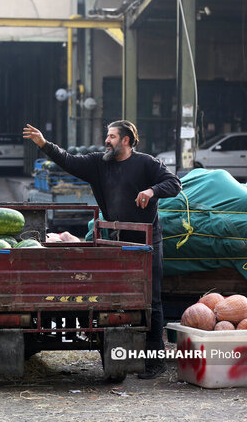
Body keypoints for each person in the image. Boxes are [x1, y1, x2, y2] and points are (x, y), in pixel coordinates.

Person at [23, 120, 181, 380]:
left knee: (151, 302)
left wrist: (152, 190)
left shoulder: (147, 163)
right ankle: (123, 355)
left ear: (126, 140)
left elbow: (174, 184)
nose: (106, 140)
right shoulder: (99, 163)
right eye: (107, 136)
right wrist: (44, 144)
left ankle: (155, 361)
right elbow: (69, 160)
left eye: (112, 136)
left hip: (148, 242)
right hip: (117, 242)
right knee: (120, 301)